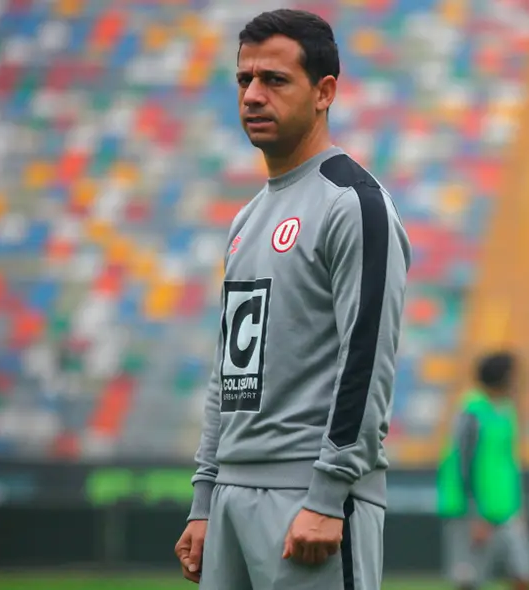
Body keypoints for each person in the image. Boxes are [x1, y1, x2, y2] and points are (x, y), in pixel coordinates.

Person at [173, 9, 411, 590]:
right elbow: (229, 370)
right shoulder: (246, 220)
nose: (253, 95)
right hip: (231, 499)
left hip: (309, 498)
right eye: (244, 79)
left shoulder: (353, 203)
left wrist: (329, 493)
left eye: (274, 80)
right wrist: (206, 497)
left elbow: (367, 360)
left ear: (324, 92)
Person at [436, 352, 529, 590]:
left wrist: (519, 507)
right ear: (502, 377)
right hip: (473, 512)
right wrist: (475, 514)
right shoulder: (472, 411)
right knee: (469, 580)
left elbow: (509, 463)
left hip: (506, 509)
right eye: (514, 375)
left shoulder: (507, 410)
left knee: (525, 573)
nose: (518, 382)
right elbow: (464, 464)